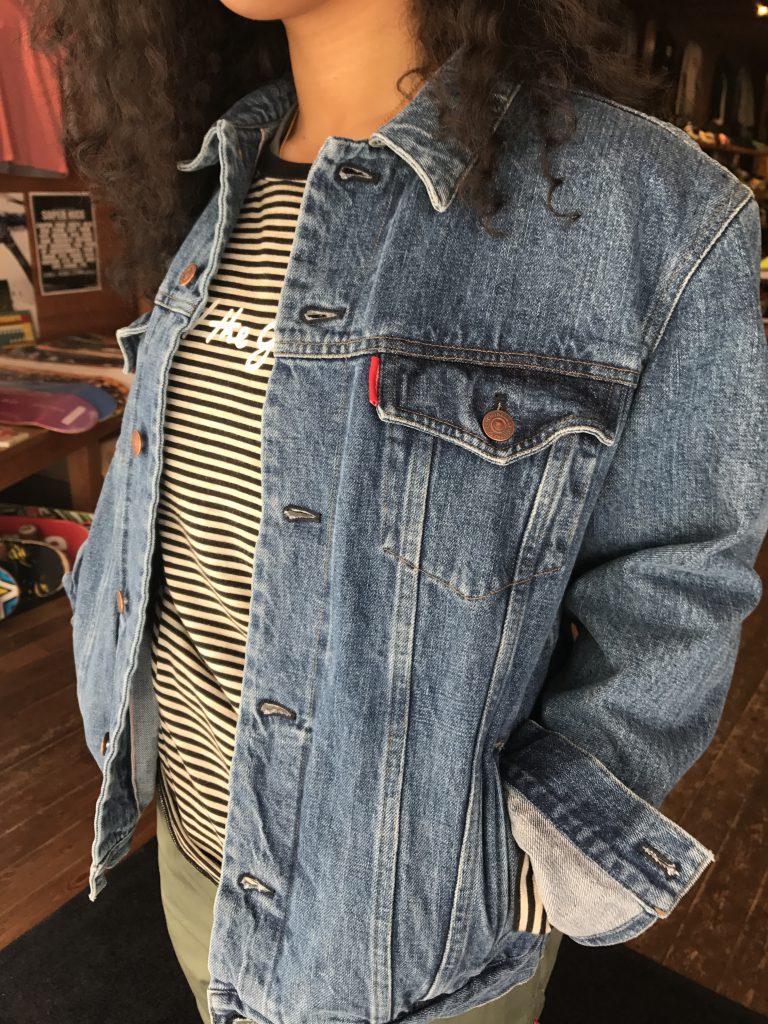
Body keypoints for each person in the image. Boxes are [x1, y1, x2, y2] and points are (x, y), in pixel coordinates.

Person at [29, 1, 768, 1023]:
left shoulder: (650, 211)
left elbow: (677, 579)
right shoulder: (220, 173)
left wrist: (532, 859)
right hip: (195, 868)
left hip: (413, 946)